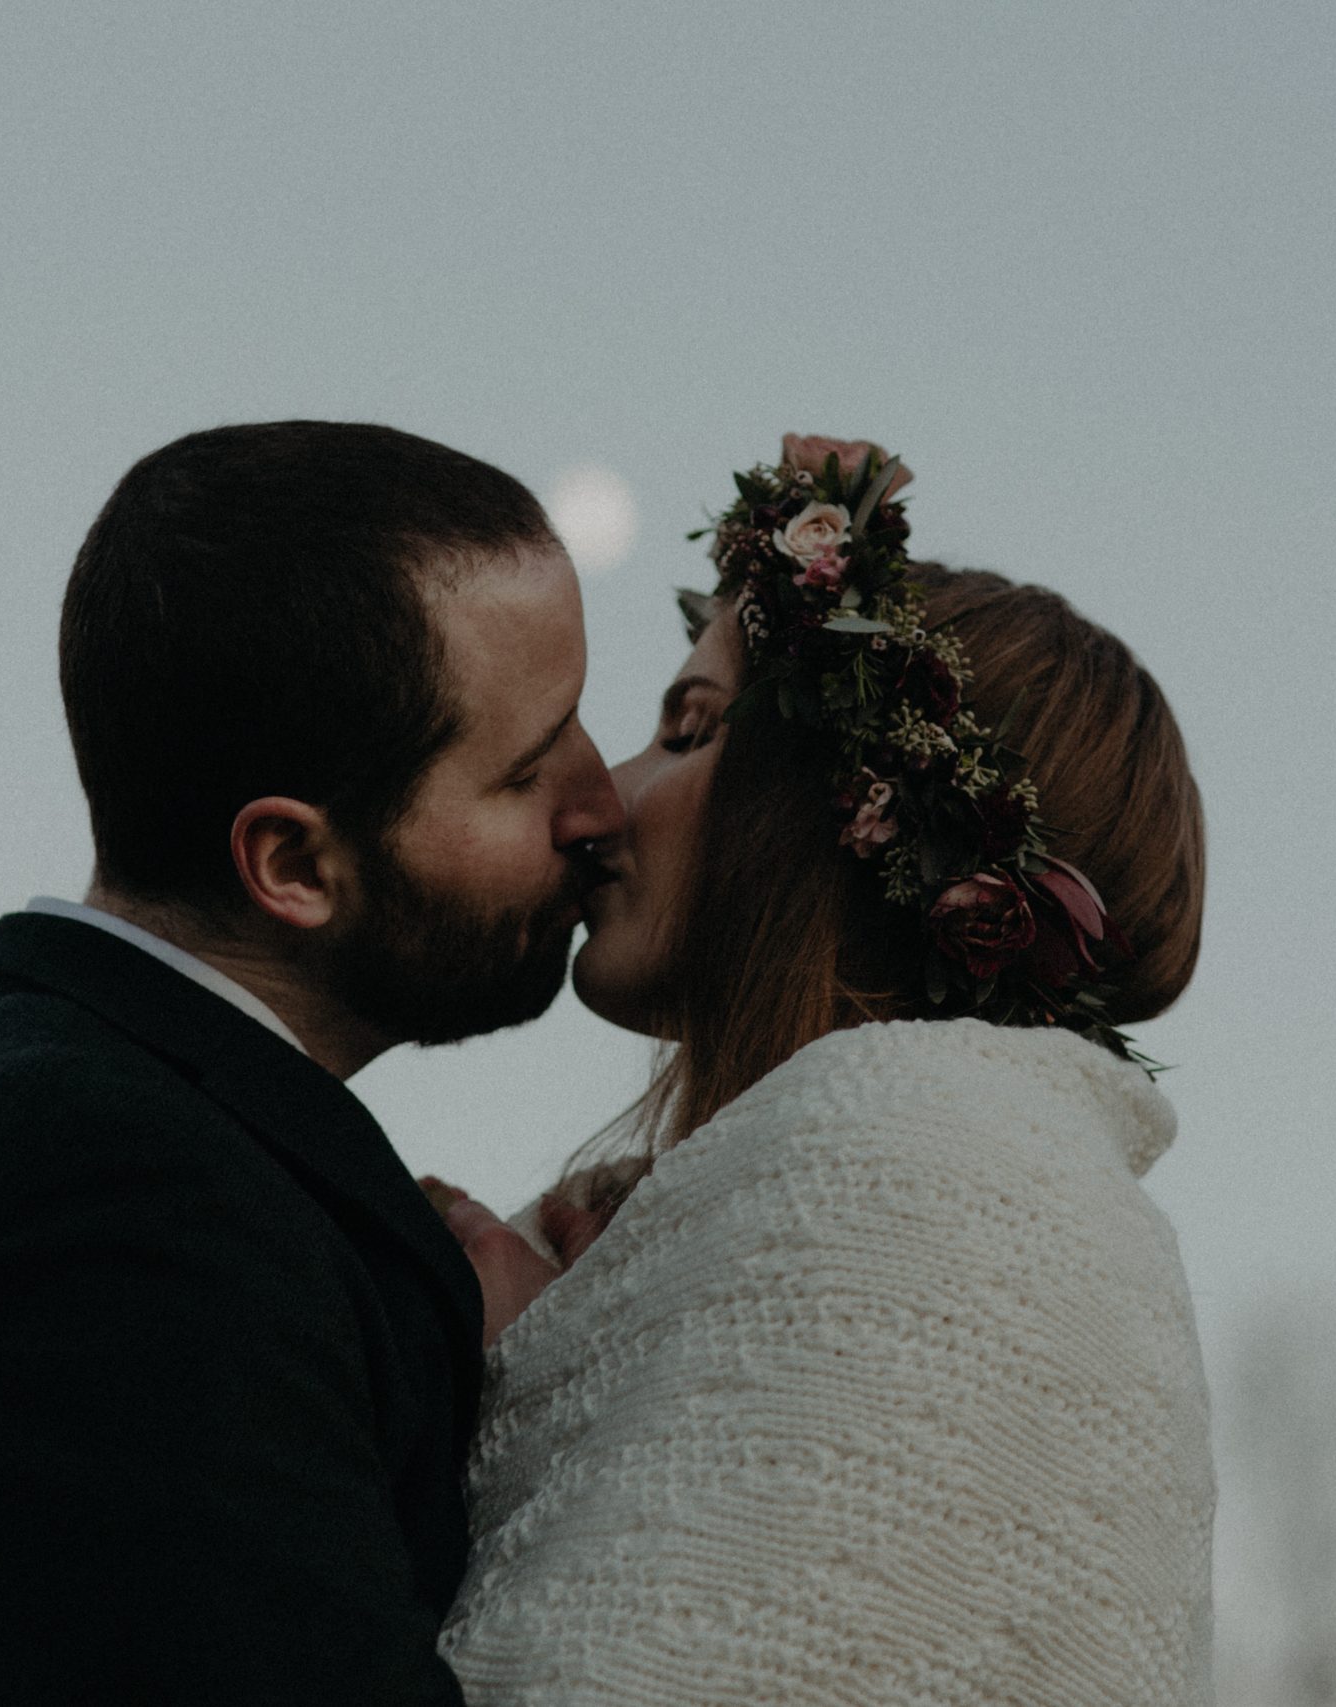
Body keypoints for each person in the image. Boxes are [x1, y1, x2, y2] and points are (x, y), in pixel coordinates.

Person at [0, 420, 623, 1704]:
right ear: (296, 866)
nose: (597, 807)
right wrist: (575, 1433)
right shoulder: (75, 1185)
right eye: (527, 769)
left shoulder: (135, 1132)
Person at [436, 437, 1216, 1704]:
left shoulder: (940, 1165)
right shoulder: (683, 1222)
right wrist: (541, 1373)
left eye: (686, 732)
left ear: (843, 815)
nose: (600, 802)